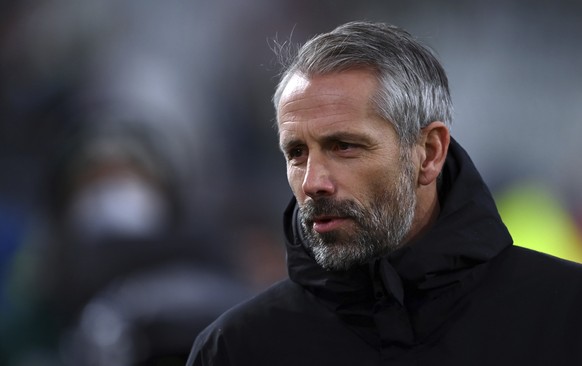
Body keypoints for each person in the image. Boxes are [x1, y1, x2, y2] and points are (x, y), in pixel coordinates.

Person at [186, 21, 582, 365]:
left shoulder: (566, 316)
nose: (312, 182)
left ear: (429, 153)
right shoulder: (236, 349)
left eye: (344, 146)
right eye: (297, 152)